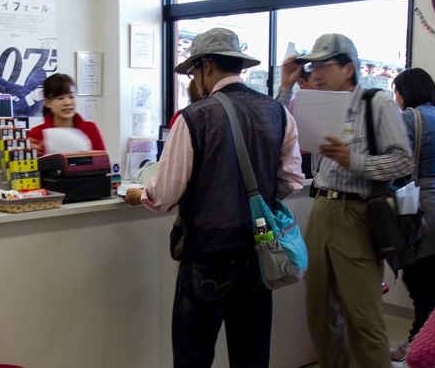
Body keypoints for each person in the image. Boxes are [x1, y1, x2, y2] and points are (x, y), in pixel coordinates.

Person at [125, 28, 305, 368]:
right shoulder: (277, 113)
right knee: (251, 358)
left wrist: (141, 194)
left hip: (207, 255)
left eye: (194, 71)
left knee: (193, 358)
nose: (195, 80)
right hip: (260, 250)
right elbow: (292, 180)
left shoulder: (195, 117)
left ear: (206, 65)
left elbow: (165, 195)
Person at [277, 33, 413, 368]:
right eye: (313, 67)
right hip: (321, 209)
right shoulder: (313, 103)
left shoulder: (376, 102)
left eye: (325, 65)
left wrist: (354, 161)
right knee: (319, 314)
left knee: (362, 316)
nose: (317, 73)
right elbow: (272, 128)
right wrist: (286, 86)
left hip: (358, 212)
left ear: (348, 68)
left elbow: (403, 161)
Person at [388, 68, 435, 361]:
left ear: (406, 92)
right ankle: (423, 343)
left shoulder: (410, 118)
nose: (396, 99)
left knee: (421, 285)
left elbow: (396, 164)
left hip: (422, 209)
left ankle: (418, 347)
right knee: (431, 280)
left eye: (397, 92)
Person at [27, 73, 105, 155]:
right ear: (47, 102)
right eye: (60, 98)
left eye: (71, 97)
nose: (67, 102)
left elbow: (104, 160)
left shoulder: (90, 128)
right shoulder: (36, 134)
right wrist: (28, 153)